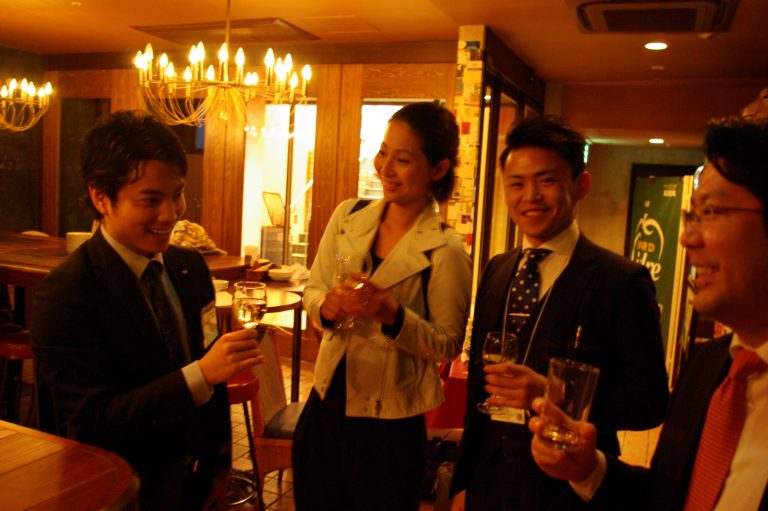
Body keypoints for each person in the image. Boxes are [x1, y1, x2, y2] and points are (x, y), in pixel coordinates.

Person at [528, 112, 768, 510]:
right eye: (691, 215)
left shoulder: (619, 279)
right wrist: (589, 469)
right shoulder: (709, 367)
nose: (687, 237)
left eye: (711, 212)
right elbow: (667, 494)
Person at [31, 110, 264, 510]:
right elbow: (92, 420)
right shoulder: (67, 293)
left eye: (177, 194)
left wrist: (219, 464)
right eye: (151, 200)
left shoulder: (189, 268)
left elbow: (214, 376)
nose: (170, 214)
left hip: (194, 481)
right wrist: (199, 374)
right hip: (122, 489)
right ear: (100, 197)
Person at [450, 115, 670, 510]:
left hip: (566, 493)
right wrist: (463, 482)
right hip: (487, 485)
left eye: (546, 181)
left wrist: (553, 394)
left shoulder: (620, 281)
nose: (530, 196)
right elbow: (477, 395)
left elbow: (649, 403)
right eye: (517, 183)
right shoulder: (497, 269)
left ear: (580, 185)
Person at [293, 102, 472, 510]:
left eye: (403, 159)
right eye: (383, 152)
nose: (385, 168)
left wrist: (393, 315)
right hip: (324, 408)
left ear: (438, 169)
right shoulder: (348, 216)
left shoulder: (445, 249)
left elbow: (447, 344)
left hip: (389, 428)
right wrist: (328, 306)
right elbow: (314, 289)